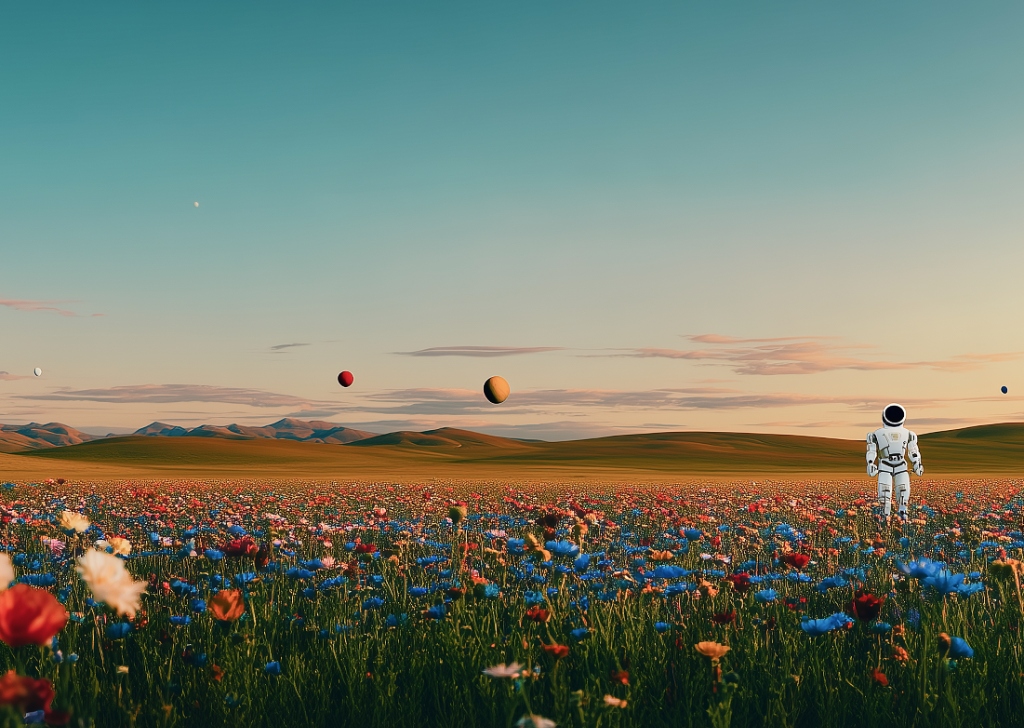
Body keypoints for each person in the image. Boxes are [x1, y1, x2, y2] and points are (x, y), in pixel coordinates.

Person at [866, 403, 923, 521]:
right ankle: (884, 520)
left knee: (903, 495)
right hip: (886, 465)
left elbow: (913, 450)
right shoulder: (877, 434)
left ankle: (902, 519)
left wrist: (916, 462)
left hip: (899, 466)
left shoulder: (908, 434)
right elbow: (872, 450)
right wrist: (871, 462)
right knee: (884, 495)